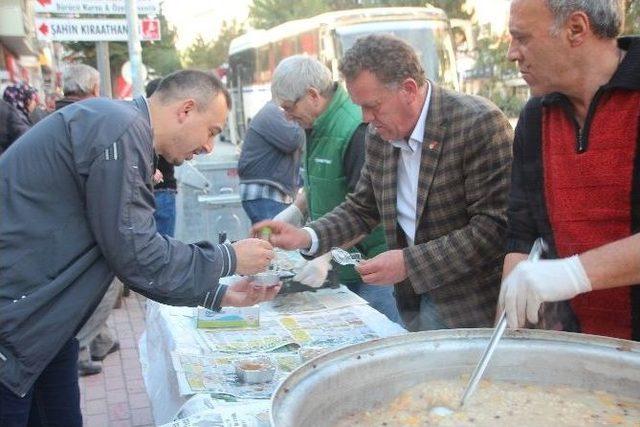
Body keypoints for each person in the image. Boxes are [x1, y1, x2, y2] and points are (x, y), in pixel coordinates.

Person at [0, 70, 278, 426]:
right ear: (186, 110)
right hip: (15, 331)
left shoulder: (121, 130)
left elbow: (129, 252)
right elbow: (140, 258)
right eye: (211, 131)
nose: (209, 147)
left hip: (43, 331)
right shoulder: (122, 130)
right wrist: (229, 258)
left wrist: (218, 296)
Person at [255, 36, 513, 331]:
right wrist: (306, 237)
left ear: (409, 90)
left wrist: (408, 263)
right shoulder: (380, 135)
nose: (366, 118)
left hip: (469, 304)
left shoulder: (477, 124)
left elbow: (494, 228)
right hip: (413, 300)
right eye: (359, 106)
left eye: (373, 106)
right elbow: (362, 208)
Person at [498, 0, 640, 341]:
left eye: (522, 38)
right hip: (584, 342)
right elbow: (522, 232)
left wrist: (573, 273)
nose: (512, 54)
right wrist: (507, 334)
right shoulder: (535, 119)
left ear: (575, 29)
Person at [267, 55, 401, 323]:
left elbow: (364, 208)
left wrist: (325, 254)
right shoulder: (315, 125)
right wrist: (297, 209)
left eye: (288, 107)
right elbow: (321, 180)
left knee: (378, 337)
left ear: (312, 96)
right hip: (338, 258)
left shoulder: (356, 129)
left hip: (371, 265)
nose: (287, 116)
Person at [49, 63, 121, 377]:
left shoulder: (45, 116)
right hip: (76, 226)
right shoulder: (88, 119)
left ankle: (100, 339)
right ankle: (81, 345)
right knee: (106, 280)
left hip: (57, 228)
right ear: (93, 88)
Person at [238, 100, 304, 224]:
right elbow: (293, 139)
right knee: (277, 240)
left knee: (271, 240)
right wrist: (303, 121)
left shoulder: (273, 112)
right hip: (266, 193)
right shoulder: (273, 112)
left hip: (267, 194)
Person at [146, 77, 181, 238]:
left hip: (144, 192)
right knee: (165, 245)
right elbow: (177, 157)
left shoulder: (140, 120)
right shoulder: (170, 122)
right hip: (164, 189)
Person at [0, 83, 37, 153]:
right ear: (26, 100)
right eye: (33, 99)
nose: (35, 103)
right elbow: (27, 143)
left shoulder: (9, 113)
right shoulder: (15, 117)